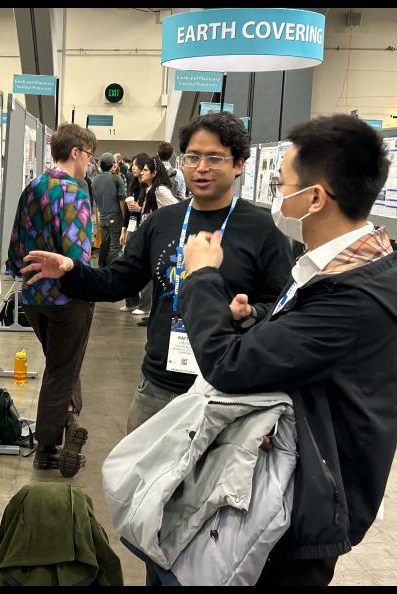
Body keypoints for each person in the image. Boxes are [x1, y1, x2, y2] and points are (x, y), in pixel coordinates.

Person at [179, 114, 397, 586]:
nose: (277, 195)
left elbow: (228, 366)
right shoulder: (351, 267)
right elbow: (313, 348)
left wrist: (200, 276)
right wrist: (258, 320)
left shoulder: (352, 296)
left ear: (315, 197)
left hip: (306, 505)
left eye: (282, 184)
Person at [20, 111, 293, 435]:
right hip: (158, 387)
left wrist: (250, 313)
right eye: (193, 156)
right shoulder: (163, 222)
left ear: (239, 164)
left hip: (227, 391)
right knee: (141, 482)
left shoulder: (262, 230)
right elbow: (115, 282)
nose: (202, 167)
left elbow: (283, 307)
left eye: (215, 157)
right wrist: (69, 270)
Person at [7, 122, 97, 478]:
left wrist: (24, 272)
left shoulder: (33, 186)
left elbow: (16, 244)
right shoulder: (74, 192)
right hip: (68, 297)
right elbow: (77, 255)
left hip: (33, 296)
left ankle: (71, 419)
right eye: (88, 156)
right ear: (75, 152)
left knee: (63, 361)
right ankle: (48, 447)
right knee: (62, 369)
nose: (89, 163)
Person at [121, 156, 178, 322]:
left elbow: (176, 206)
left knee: (156, 274)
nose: (141, 172)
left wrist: (156, 218)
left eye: (145, 170)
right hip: (149, 235)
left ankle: (151, 309)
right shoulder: (147, 189)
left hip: (159, 237)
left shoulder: (159, 190)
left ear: (153, 172)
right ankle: (150, 309)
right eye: (142, 169)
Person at [118, 153, 149, 314]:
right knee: (126, 261)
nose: (133, 168)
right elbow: (128, 213)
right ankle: (131, 301)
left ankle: (144, 304)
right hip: (131, 227)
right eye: (134, 165)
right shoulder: (133, 183)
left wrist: (140, 209)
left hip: (142, 228)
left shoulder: (149, 187)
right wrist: (124, 230)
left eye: (136, 165)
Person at [93, 152, 127, 268]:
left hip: (102, 216)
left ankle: (101, 268)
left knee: (105, 244)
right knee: (115, 247)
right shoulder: (116, 179)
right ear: (113, 164)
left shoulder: (95, 180)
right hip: (116, 217)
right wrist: (124, 217)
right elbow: (122, 200)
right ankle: (113, 272)